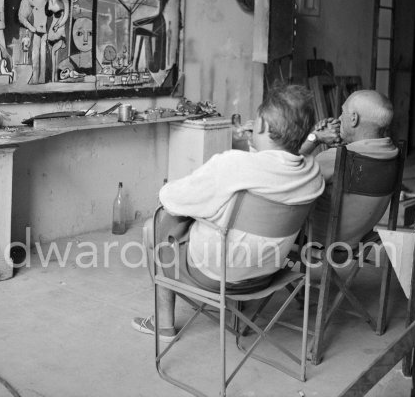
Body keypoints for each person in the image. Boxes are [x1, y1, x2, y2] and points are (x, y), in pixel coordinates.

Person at [131, 84, 325, 342]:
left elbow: (170, 198)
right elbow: (279, 165)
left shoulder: (232, 165)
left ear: (264, 126)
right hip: (266, 275)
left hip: (214, 274)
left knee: (156, 223)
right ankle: (239, 313)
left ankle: (164, 324)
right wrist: (258, 147)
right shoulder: (313, 175)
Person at [300, 89, 398, 247]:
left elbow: (288, 170)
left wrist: (315, 138)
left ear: (354, 118)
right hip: (358, 236)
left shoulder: (336, 158)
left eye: (342, 112)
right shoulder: (392, 154)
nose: (339, 118)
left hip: (321, 238)